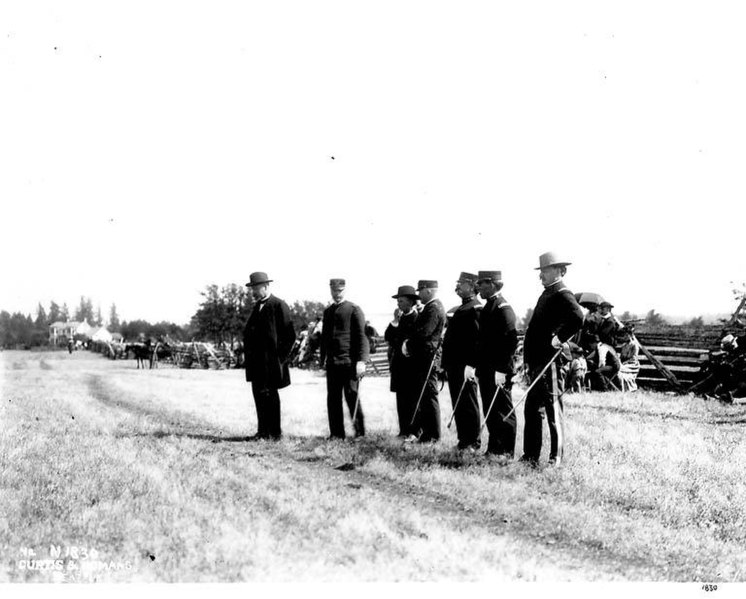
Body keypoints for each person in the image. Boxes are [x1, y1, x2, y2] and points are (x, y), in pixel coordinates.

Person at [522, 252, 584, 467]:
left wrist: (559, 338)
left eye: (546, 271)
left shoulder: (563, 293)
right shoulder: (547, 293)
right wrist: (528, 360)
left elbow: (578, 317)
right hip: (538, 361)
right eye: (541, 272)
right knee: (532, 409)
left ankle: (556, 458)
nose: (542, 276)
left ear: (560, 271)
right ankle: (530, 456)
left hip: (551, 362)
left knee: (553, 409)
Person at [242, 272, 296, 440]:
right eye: (252, 289)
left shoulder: (278, 305)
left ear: (266, 287)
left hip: (271, 364)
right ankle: (263, 432)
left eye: (256, 289)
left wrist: (279, 358)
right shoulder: (257, 307)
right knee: (259, 396)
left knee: (271, 397)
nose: (253, 292)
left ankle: (275, 433)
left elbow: (290, 336)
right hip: (256, 363)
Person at [471, 270, 518, 458]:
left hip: (498, 369)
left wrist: (503, 369)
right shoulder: (490, 306)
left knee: (503, 409)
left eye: (481, 284)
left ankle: (505, 452)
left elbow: (510, 342)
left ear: (491, 284)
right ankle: (494, 448)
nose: (478, 288)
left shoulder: (503, 308)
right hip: (487, 369)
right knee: (490, 409)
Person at [320, 278, 369, 439]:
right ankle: (336, 434)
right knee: (333, 399)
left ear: (345, 290)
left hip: (349, 363)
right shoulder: (327, 312)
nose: (337, 294)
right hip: (333, 363)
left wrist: (361, 361)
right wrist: (323, 359)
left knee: (352, 397)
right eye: (334, 290)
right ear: (330, 290)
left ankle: (360, 433)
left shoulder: (354, 309)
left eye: (340, 291)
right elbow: (325, 338)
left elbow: (362, 337)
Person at [441, 272, 482, 451]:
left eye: (461, 284)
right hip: (454, 364)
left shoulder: (476, 308)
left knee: (469, 402)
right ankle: (463, 440)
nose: (457, 286)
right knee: (458, 402)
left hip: (466, 365)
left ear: (473, 287)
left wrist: (472, 364)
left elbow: (477, 340)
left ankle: (473, 441)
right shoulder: (459, 309)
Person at [403, 280, 446, 443]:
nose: (418, 295)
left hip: (428, 358)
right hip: (423, 357)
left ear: (428, 291)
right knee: (424, 397)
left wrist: (408, 342)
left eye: (420, 291)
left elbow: (424, 333)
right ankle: (426, 433)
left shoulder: (433, 308)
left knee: (429, 397)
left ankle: (434, 436)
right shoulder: (430, 307)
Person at [384, 285, 420, 437]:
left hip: (412, 367)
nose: (398, 304)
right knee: (401, 400)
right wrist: (394, 321)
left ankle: (414, 431)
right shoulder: (399, 319)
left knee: (413, 400)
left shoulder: (417, 318)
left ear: (410, 302)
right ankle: (403, 430)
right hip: (398, 366)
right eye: (398, 301)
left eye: (401, 301)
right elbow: (388, 337)